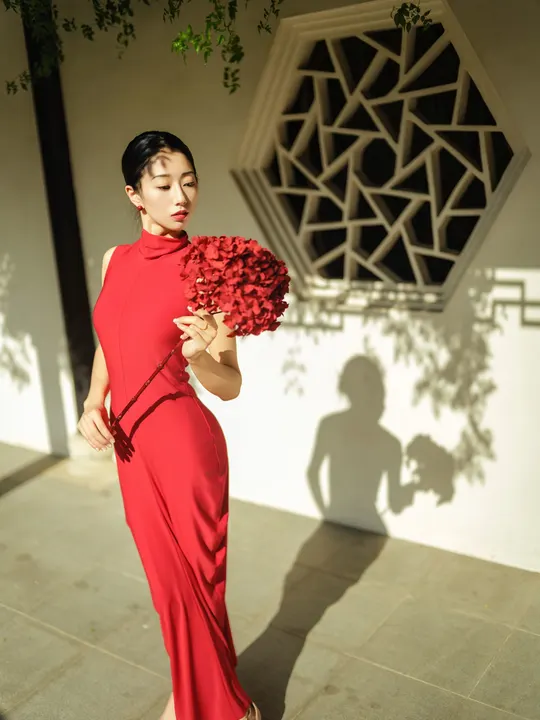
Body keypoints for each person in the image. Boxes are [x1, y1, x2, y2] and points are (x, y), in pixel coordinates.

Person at [77, 131, 260, 720]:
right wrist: (93, 401)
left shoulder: (209, 270)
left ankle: (211, 706)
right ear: (134, 194)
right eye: (164, 185)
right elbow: (111, 338)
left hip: (185, 443)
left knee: (197, 584)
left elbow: (229, 385)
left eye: (189, 182)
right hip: (131, 446)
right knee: (167, 587)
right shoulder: (114, 259)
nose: (181, 196)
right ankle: (203, 694)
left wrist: (201, 355)